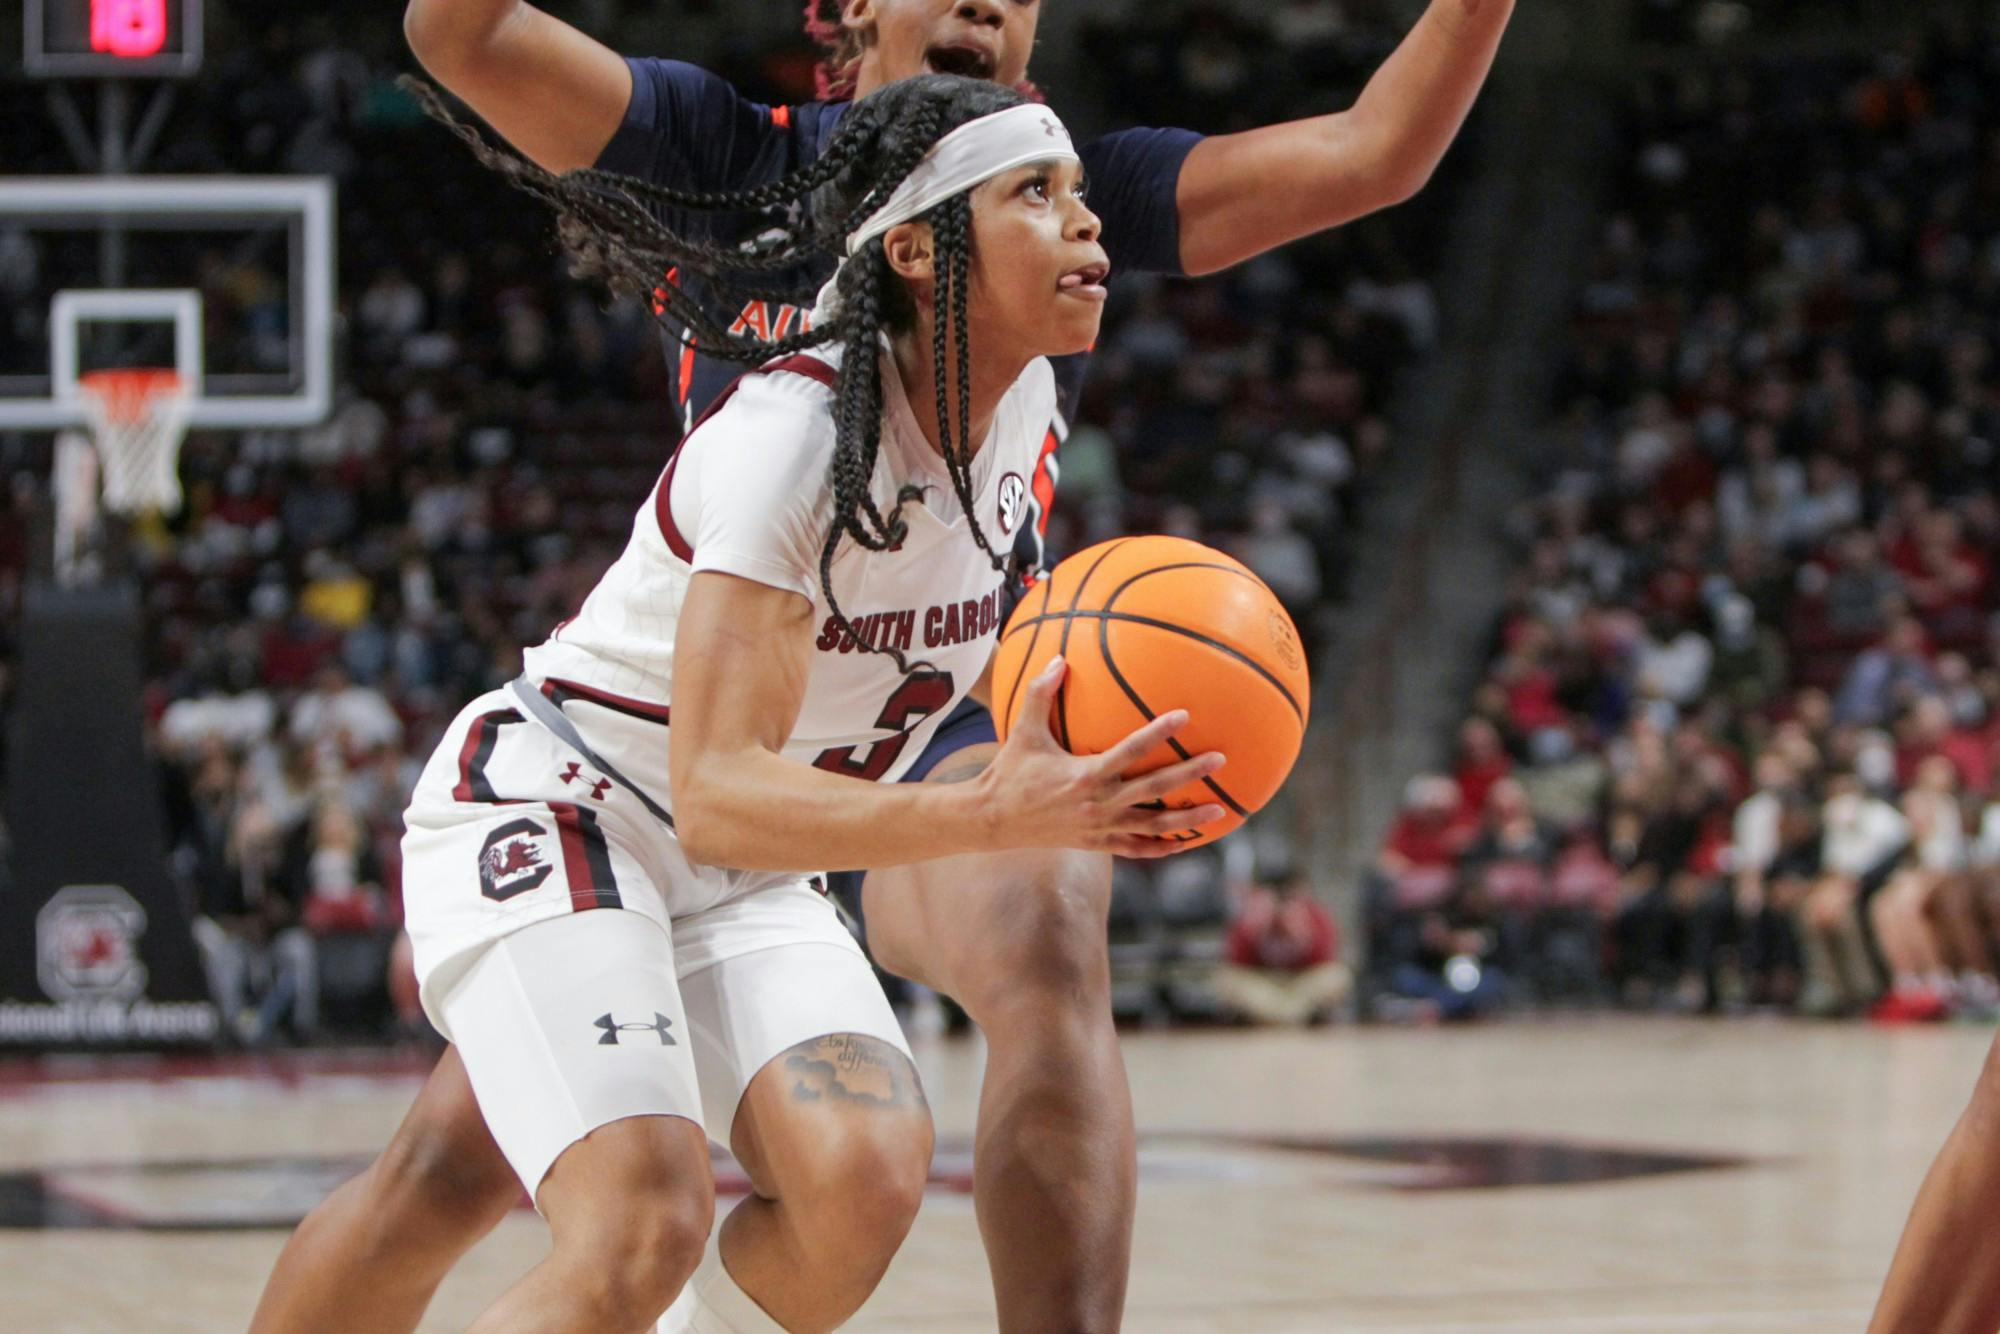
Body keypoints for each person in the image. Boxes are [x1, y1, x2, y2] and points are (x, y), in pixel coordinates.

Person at [257, 2, 1514, 1330]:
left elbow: (1374, 151)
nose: (1081, 220)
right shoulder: (739, 198)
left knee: (1024, 946)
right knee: (487, 1178)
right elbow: (462, 34)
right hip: (673, 742)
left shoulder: (1052, 215)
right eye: (1041, 196)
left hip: (880, 735)